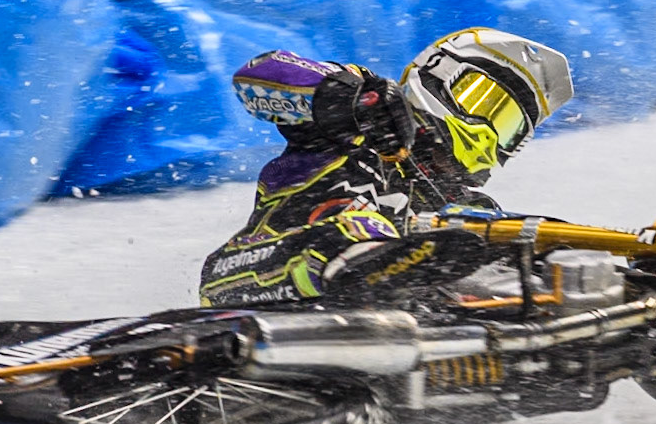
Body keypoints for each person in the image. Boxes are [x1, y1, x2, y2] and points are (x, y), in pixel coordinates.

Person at [199, 27, 573, 307]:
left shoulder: (462, 208)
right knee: (362, 227)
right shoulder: (353, 121)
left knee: (502, 237)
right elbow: (256, 74)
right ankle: (367, 269)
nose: (490, 132)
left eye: (508, 127)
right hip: (247, 274)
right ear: (440, 75)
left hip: (386, 326)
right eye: (484, 103)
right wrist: (343, 94)